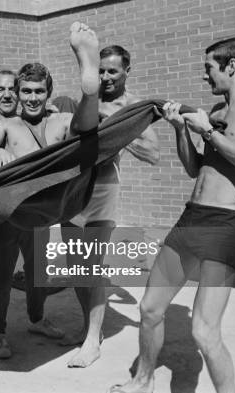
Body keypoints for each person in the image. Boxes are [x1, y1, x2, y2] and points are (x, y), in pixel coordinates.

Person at [109, 37, 235, 393]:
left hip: (222, 226)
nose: (205, 77)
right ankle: (143, 380)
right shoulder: (216, 113)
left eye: (209, 68)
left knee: (203, 330)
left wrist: (205, 130)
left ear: (231, 66)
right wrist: (180, 130)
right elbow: (195, 168)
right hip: (190, 219)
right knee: (151, 308)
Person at [0, 22, 102, 359]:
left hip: (42, 211)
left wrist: (89, 95)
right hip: (6, 214)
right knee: (0, 277)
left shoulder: (59, 122)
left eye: (38, 92)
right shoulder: (6, 125)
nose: (32, 98)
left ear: (48, 93)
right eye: (26, 91)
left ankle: (36, 318)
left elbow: (84, 130)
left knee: (37, 274)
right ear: (18, 93)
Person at [56, 45, 160, 369]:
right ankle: (90, 329)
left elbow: (153, 153)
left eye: (112, 71)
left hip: (103, 191)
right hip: (74, 189)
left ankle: (92, 342)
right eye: (100, 70)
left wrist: (117, 131)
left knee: (93, 265)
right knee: (77, 267)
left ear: (127, 71)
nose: (105, 77)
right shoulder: (90, 97)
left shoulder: (134, 106)